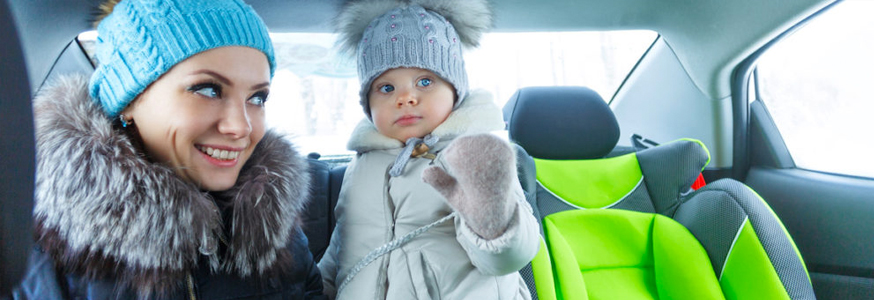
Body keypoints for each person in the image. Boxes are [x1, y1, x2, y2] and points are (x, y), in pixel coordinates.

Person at [10, 0, 325, 299]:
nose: (241, 127)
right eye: (207, 89)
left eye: (257, 98)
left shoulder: (274, 228)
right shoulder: (42, 251)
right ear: (128, 101)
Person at [317, 0, 540, 298]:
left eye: (425, 81)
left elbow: (510, 258)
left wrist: (491, 220)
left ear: (456, 89)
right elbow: (343, 249)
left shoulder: (475, 155)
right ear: (367, 103)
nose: (406, 97)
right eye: (386, 88)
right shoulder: (362, 165)